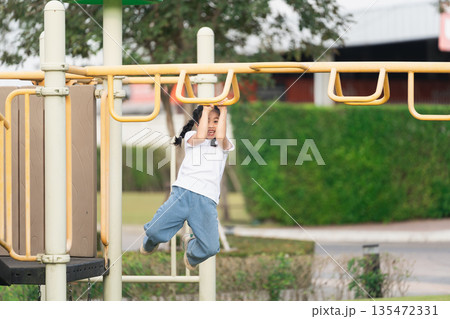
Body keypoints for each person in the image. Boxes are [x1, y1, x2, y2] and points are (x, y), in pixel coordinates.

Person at [140, 100, 234, 271]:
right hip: (183, 193)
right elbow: (202, 134)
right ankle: (151, 241)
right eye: (207, 121)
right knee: (154, 230)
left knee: (211, 247)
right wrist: (205, 110)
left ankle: (191, 250)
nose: (212, 126)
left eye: (216, 121)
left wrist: (224, 110)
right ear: (198, 124)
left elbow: (220, 136)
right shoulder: (192, 137)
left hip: (206, 200)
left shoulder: (224, 144)